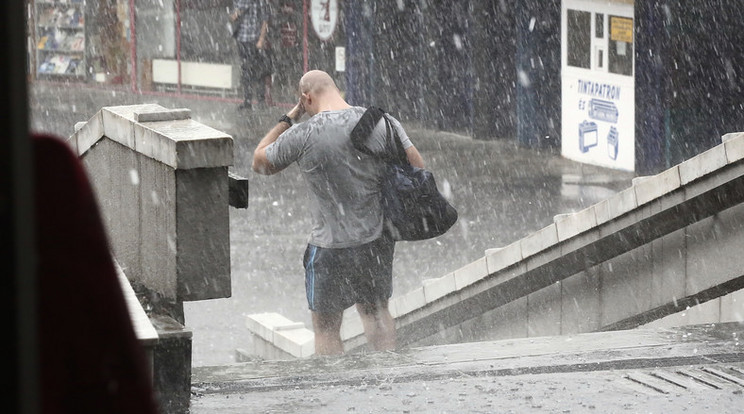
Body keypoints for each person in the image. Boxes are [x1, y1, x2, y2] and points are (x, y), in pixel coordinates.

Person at [252, 70, 425, 355]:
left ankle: (333, 385)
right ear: (337, 90)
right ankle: (386, 375)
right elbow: (417, 167)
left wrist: (290, 118)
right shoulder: (381, 121)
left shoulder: (304, 133)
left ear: (306, 98)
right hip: (374, 241)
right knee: (376, 313)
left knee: (327, 328)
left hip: (328, 247)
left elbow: (259, 160)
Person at [230, 0, 269, 110]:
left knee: (258, 70)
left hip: (254, 39)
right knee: (246, 70)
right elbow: (233, 17)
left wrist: (261, 39)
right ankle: (247, 101)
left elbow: (265, 19)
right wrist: (236, 14)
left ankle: (261, 100)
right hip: (242, 38)